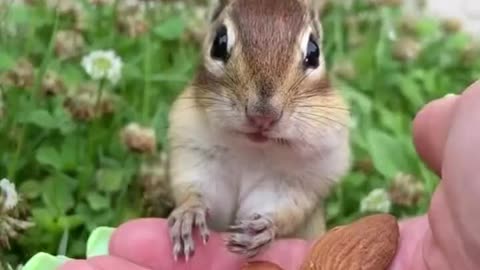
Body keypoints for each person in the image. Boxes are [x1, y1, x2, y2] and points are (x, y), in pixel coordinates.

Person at [60, 81, 480, 270]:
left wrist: (277, 220)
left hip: (296, 248)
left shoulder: (320, 119)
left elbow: (307, 186)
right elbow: (196, 165)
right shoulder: (196, 113)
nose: (264, 112)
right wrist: (192, 202)